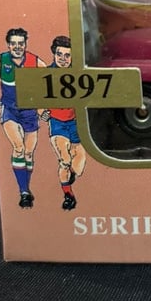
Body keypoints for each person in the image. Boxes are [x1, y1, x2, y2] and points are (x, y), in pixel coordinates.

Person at [0, 28, 47, 208]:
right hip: (10, 110)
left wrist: (43, 108)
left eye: (20, 43)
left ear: (25, 44)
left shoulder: (35, 62)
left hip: (30, 112)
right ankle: (24, 192)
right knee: (19, 148)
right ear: (8, 45)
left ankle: (25, 187)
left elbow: (50, 82)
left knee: (28, 153)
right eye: (13, 43)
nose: (17, 47)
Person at [41, 36, 87, 211]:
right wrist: (42, 112)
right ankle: (68, 195)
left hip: (75, 122)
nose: (63, 58)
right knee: (65, 159)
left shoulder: (78, 73)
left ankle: (70, 175)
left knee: (79, 164)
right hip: (57, 123)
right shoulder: (45, 74)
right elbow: (36, 98)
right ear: (54, 54)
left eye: (67, 55)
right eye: (59, 54)